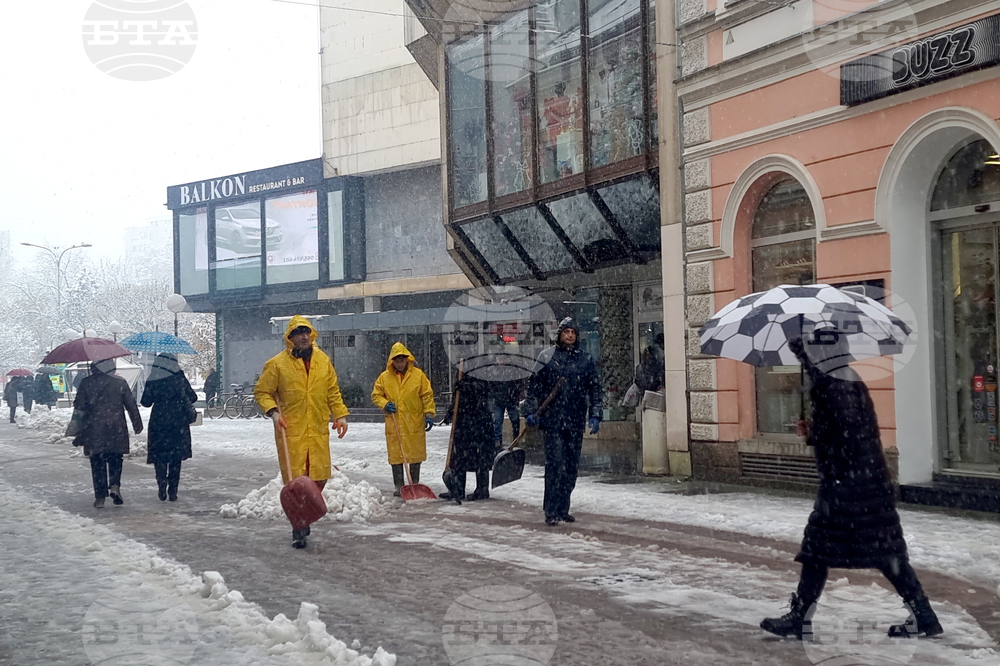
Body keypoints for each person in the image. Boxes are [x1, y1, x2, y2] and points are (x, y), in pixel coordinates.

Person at [760, 330, 943, 640]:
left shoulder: (833, 384)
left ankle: (800, 617)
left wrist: (817, 433)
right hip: (863, 482)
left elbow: (846, 433)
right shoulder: (842, 378)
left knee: (820, 549)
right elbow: (845, 429)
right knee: (881, 551)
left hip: (849, 485)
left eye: (811, 353)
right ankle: (923, 613)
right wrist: (814, 431)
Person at [254, 316, 350, 549]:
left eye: (306, 332)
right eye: (298, 333)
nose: (304, 337)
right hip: (291, 429)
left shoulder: (323, 361)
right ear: (290, 338)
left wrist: (340, 414)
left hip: (317, 428)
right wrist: (273, 413)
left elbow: (332, 390)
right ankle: (298, 527)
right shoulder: (277, 364)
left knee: (319, 477)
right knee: (296, 481)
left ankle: (305, 515)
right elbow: (262, 392)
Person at [524, 317, 602, 526]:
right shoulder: (547, 357)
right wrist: (530, 412)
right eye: (566, 332)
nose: (570, 335)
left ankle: (563, 508)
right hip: (552, 421)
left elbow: (595, 388)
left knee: (571, 466)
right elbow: (533, 388)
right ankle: (551, 510)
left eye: (573, 332)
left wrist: (595, 413)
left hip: (575, 421)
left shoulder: (585, 360)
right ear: (559, 335)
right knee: (555, 464)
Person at [73, 358, 144, 508]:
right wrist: (137, 423)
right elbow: (131, 404)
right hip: (116, 426)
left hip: (94, 427)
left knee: (97, 461)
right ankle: (115, 486)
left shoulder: (86, 383)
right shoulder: (120, 382)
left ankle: (100, 497)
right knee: (115, 458)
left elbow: (79, 407)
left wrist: (76, 429)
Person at [371, 343, 435, 497]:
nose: (399, 363)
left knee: (415, 454)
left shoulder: (418, 376)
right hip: (395, 422)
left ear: (407, 359)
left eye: (402, 360)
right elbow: (376, 395)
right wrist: (385, 404)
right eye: (397, 361)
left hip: (414, 420)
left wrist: (429, 413)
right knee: (397, 455)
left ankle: (415, 483)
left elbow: (427, 394)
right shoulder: (384, 378)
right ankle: (399, 485)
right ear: (392, 361)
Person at [141, 353, 198, 502]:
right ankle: (173, 489)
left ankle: (161, 483)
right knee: (175, 457)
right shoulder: (179, 377)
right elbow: (193, 397)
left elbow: (145, 402)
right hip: (177, 421)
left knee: (160, 456)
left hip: (159, 421)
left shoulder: (153, 378)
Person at [441, 373, 494, 502]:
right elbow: (457, 396)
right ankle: (459, 488)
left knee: (480, 455)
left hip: (480, 420)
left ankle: (482, 489)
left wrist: (469, 387)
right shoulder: (462, 370)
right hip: (463, 419)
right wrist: (451, 411)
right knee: (460, 454)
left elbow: (487, 389)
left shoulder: (483, 369)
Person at [489, 359, 524, 454]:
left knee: (512, 421)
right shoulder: (508, 370)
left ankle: (512, 441)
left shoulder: (498, 370)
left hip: (508, 399)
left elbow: (519, 382)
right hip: (503, 399)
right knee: (499, 421)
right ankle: (499, 443)